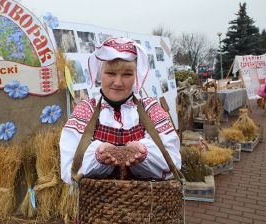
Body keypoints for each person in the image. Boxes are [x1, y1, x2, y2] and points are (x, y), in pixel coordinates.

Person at [59, 37, 181, 184]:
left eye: (127, 74)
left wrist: (144, 154)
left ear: (136, 76)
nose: (118, 82)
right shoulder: (85, 111)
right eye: (110, 73)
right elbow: (68, 172)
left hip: (146, 203)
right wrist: (98, 157)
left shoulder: (151, 109)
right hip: (96, 204)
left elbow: (173, 163)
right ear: (100, 74)